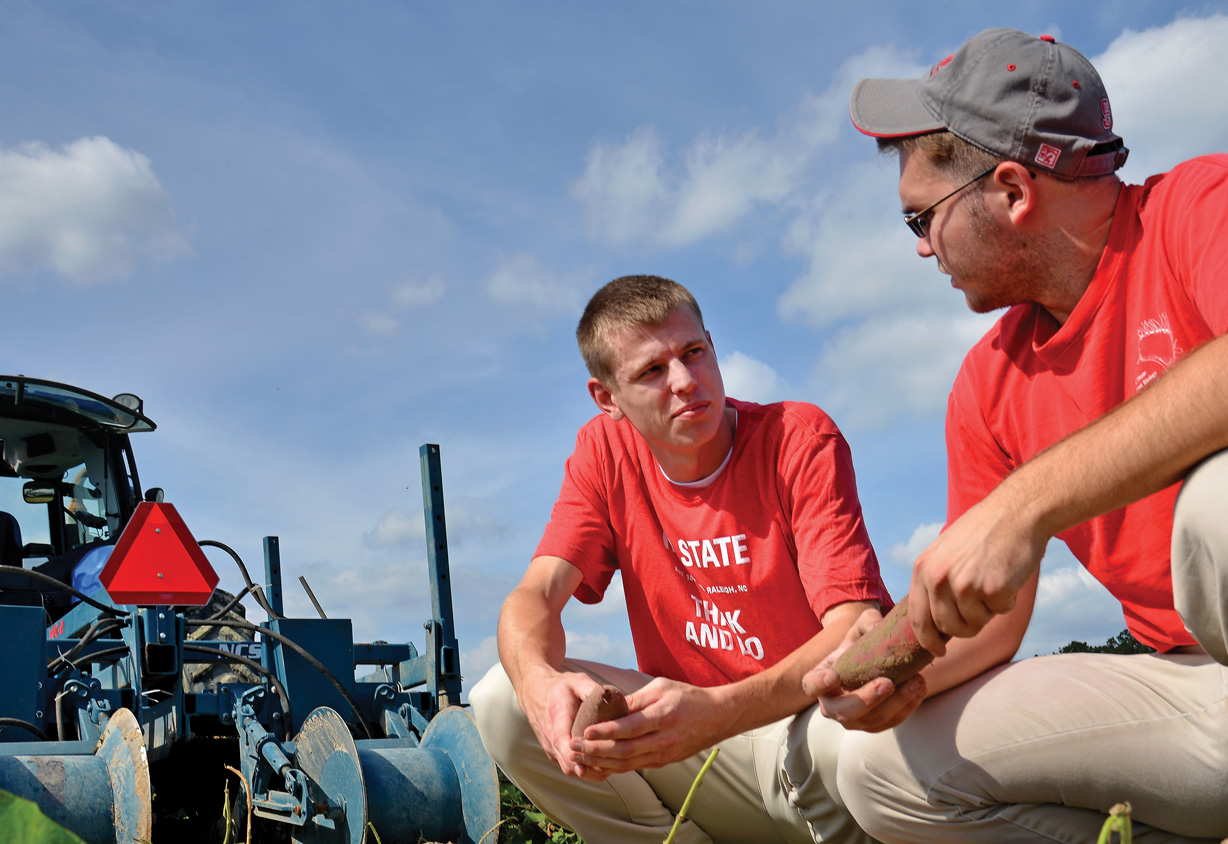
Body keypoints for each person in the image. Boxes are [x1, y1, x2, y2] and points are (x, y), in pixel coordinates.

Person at [800, 28, 1228, 842]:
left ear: (1011, 190)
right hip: (1198, 697)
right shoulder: (988, 384)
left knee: (1220, 503)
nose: (923, 247)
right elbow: (993, 618)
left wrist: (1024, 504)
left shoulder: (1201, 206)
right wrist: (901, 666)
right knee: (875, 770)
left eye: (921, 219)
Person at [471, 275, 892, 844]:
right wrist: (537, 682)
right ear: (607, 398)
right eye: (651, 371)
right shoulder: (604, 451)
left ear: (713, 346)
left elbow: (854, 629)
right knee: (500, 697)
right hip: (700, 749)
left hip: (808, 732)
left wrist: (719, 709)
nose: (685, 382)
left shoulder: (797, 437)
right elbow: (536, 594)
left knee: (846, 738)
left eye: (695, 353)